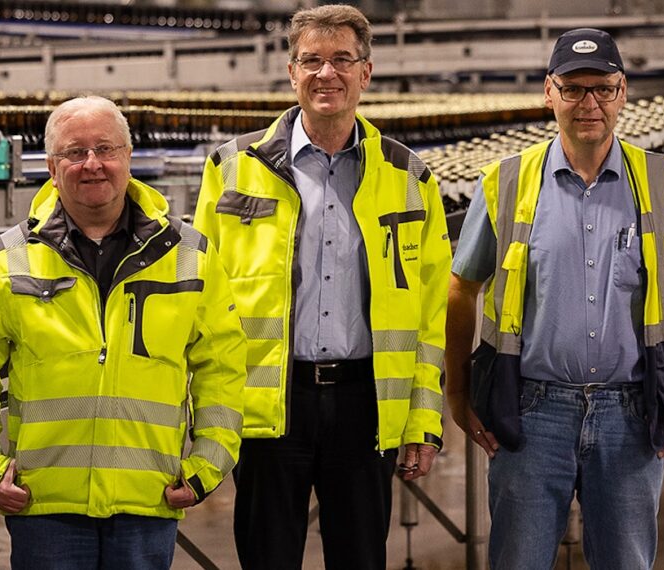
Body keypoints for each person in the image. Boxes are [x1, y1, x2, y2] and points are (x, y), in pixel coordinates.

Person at [445, 28, 664, 569]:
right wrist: (458, 395)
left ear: (623, 92)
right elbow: (462, 287)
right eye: (574, 89)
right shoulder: (504, 182)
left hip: (631, 414)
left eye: (602, 88)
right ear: (549, 93)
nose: (590, 104)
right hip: (531, 415)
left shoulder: (663, 181)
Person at [192, 5, 450, 568]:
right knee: (266, 557)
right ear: (291, 72)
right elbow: (203, 304)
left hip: (367, 404)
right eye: (311, 60)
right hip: (267, 403)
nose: (325, 73)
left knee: (360, 557)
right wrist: (208, 417)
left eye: (341, 60)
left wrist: (423, 420)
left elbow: (431, 318)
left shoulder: (410, 178)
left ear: (366, 72)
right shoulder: (234, 168)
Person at [0, 95, 247, 570]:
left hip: (148, 499)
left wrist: (206, 466)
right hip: (44, 505)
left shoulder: (189, 253)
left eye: (105, 149)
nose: (92, 164)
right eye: (74, 152)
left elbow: (223, 368)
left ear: (128, 157)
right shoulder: (8, 257)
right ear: (50, 165)